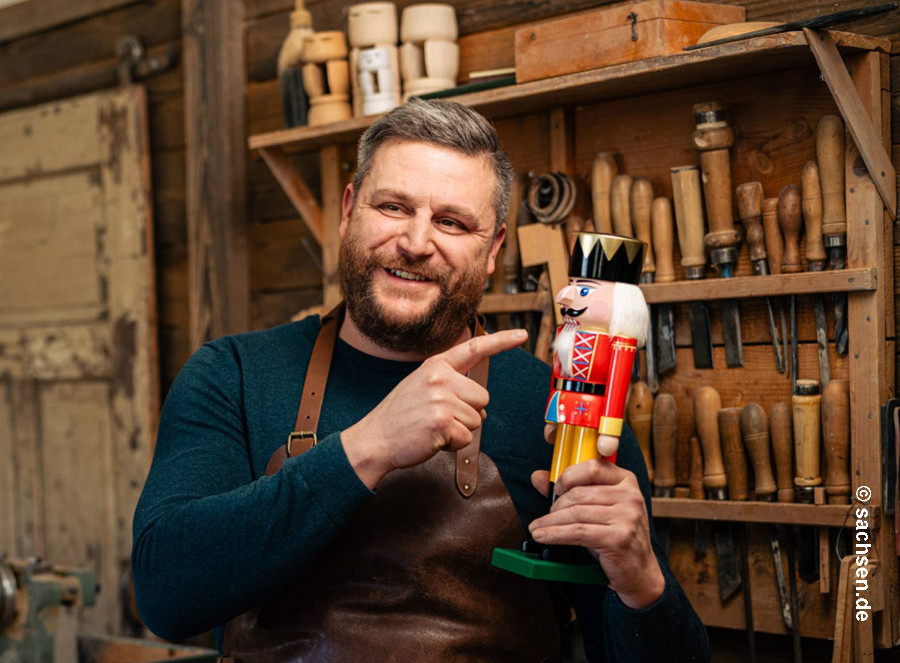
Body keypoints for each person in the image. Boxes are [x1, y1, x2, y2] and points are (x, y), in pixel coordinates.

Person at [132, 98, 709, 663]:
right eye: (393, 207)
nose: (414, 243)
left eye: (451, 222)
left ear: (493, 249)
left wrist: (642, 584)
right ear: (349, 211)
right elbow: (166, 596)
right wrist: (367, 447)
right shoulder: (232, 376)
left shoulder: (560, 412)